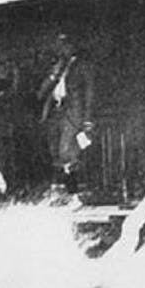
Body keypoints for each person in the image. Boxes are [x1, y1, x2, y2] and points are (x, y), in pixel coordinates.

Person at [36, 33, 95, 193]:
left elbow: (89, 93)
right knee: (55, 151)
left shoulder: (83, 65)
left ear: (72, 46)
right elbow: (41, 94)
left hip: (73, 113)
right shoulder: (58, 67)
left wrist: (87, 120)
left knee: (66, 151)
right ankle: (63, 191)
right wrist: (53, 74)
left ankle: (74, 192)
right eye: (59, 46)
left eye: (64, 45)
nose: (61, 49)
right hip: (56, 111)